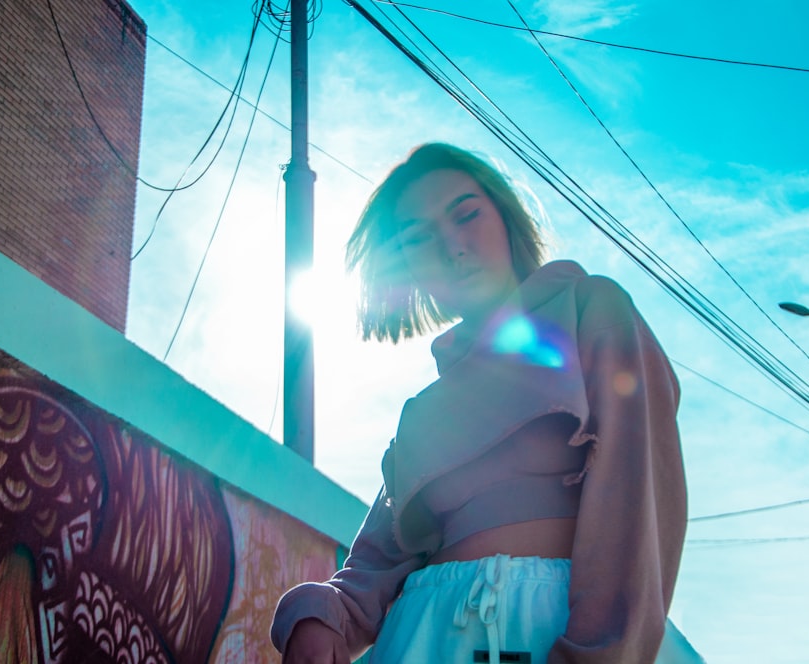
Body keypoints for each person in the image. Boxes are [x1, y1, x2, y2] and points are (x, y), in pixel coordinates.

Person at [270, 143, 703, 663]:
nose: (452, 246)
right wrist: (318, 616)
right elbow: (372, 568)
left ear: (505, 215)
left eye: (467, 214)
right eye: (417, 238)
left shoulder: (591, 309)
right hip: (418, 640)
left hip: (550, 630)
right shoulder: (422, 413)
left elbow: (638, 502)